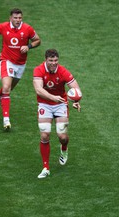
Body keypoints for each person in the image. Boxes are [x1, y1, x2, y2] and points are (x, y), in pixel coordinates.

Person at [0, 8, 41, 130]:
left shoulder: (27, 29)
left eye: (20, 18)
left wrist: (28, 46)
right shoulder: (3, 27)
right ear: (10, 18)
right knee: (7, 88)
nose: (18, 20)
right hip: (6, 60)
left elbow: (38, 40)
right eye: (15, 18)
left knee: (8, 89)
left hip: (20, 64)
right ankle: (6, 120)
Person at [33, 49, 82, 179]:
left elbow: (75, 87)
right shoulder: (38, 70)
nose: (54, 63)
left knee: (62, 136)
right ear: (46, 60)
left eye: (56, 61)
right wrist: (52, 97)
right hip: (45, 104)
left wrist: (77, 101)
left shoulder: (63, 71)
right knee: (44, 135)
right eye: (51, 61)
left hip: (61, 104)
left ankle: (64, 149)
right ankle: (46, 168)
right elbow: (38, 89)